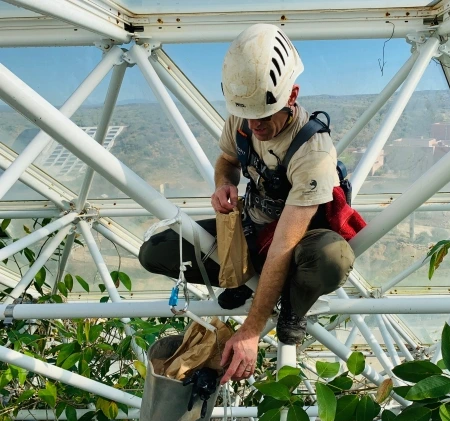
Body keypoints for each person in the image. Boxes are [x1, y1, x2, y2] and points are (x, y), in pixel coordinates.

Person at [139, 23, 359, 385]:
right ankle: (245, 279)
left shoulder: (312, 151)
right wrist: (225, 185)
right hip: (251, 233)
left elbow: (285, 245)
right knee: (156, 252)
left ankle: (293, 305)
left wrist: (252, 328)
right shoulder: (242, 118)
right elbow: (228, 160)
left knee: (332, 259)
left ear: (292, 96)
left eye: (264, 116)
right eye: (249, 116)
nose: (255, 125)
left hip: (297, 245)